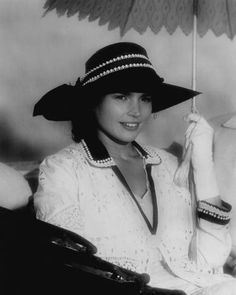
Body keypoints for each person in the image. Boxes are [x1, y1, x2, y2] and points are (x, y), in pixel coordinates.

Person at [33, 42, 236, 294]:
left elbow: (210, 262)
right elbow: (71, 269)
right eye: (121, 97)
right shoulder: (63, 170)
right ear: (92, 102)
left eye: (145, 98)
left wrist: (203, 165)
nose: (136, 111)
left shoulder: (167, 164)